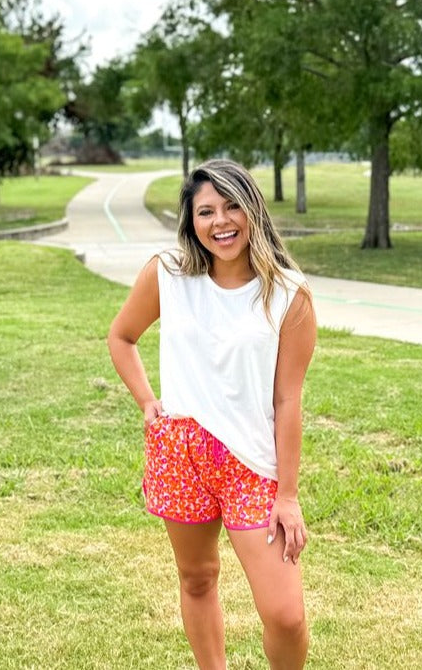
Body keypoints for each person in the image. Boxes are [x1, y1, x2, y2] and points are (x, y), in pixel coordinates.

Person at [107, 158, 317, 670]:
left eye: (231, 206)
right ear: (191, 220)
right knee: (197, 578)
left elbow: (288, 400)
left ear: (252, 210)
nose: (220, 222)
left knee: (285, 614)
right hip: (181, 451)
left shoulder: (289, 294)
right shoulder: (168, 275)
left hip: (251, 462)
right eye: (206, 211)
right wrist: (146, 401)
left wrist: (287, 495)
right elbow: (121, 337)